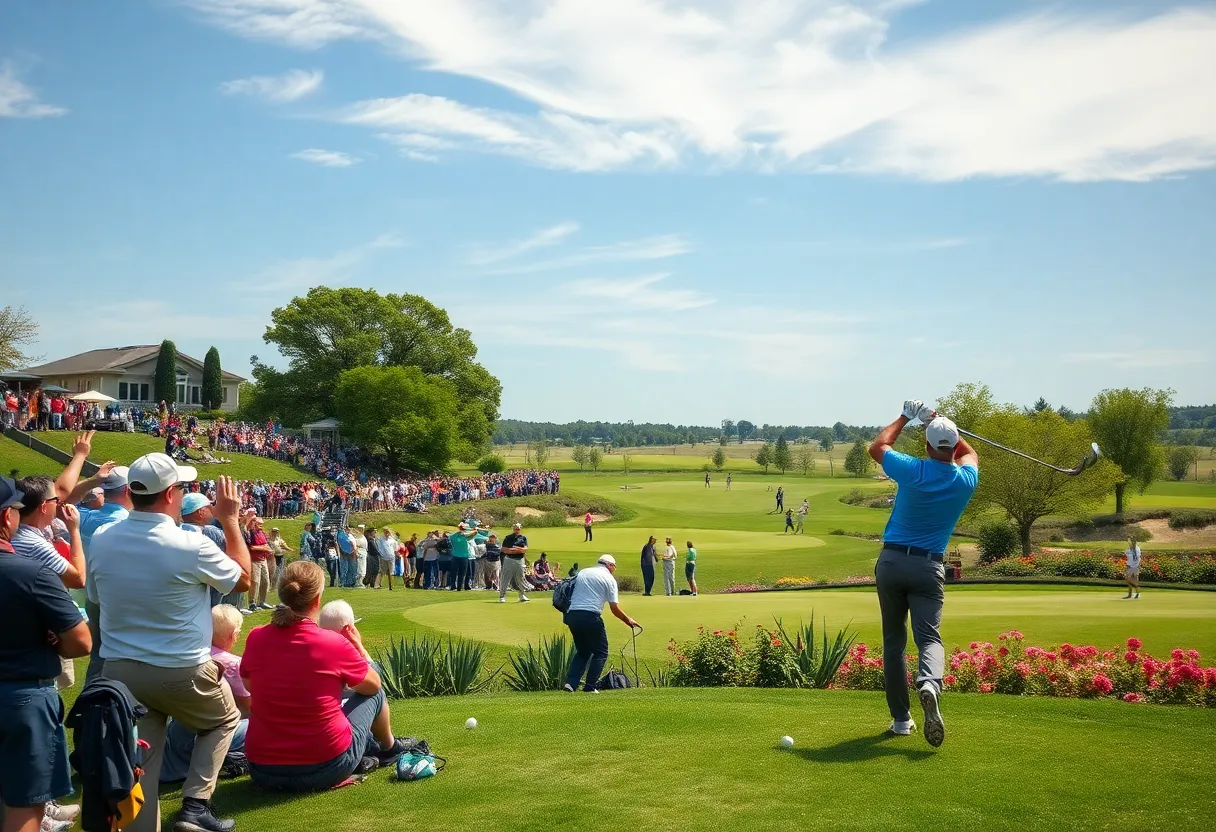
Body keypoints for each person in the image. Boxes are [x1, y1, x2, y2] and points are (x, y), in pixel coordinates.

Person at [90, 457, 252, 832]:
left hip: (119, 672)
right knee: (223, 718)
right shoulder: (189, 542)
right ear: (169, 495)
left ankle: (143, 826)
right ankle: (195, 807)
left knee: (144, 755)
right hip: (179, 668)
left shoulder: (102, 538)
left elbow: (97, 597)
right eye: (180, 488)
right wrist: (229, 520)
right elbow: (242, 580)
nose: (183, 494)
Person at [240, 561, 411, 791]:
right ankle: (390, 748)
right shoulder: (331, 642)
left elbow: (250, 684)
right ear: (317, 599)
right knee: (375, 682)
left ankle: (382, 746)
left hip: (262, 770)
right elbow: (373, 686)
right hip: (325, 767)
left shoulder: (257, 637)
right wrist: (360, 649)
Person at [867, 401, 978, 749]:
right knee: (929, 638)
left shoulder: (912, 469)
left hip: (892, 562)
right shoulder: (965, 481)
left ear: (927, 446)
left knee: (894, 643)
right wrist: (944, 425)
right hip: (930, 567)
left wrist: (907, 417)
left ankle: (902, 721)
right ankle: (930, 682)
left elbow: (878, 447)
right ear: (953, 444)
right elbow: (969, 452)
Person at [1, 476, 93, 832]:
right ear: (6, 517)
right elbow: (81, 642)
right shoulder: (32, 571)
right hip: (21, 696)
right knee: (24, 807)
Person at [159, 605, 251, 784]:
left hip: (179, 735)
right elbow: (251, 708)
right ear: (234, 635)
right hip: (210, 735)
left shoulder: (188, 656)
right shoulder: (232, 664)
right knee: (263, 725)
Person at [562, 554, 639, 693]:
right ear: (610, 565)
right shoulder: (609, 579)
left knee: (583, 651)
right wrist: (628, 620)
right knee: (601, 652)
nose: (614, 569)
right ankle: (590, 686)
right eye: (614, 567)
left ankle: (571, 683)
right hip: (590, 616)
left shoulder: (584, 572)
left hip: (571, 615)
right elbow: (614, 609)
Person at [245, 516, 274, 613]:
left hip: (263, 560)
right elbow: (251, 547)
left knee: (265, 581)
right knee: (255, 582)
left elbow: (265, 544)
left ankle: (262, 601)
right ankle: (252, 603)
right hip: (254, 560)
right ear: (254, 523)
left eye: (262, 524)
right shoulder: (250, 533)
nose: (261, 525)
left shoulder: (262, 533)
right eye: (259, 523)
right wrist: (264, 548)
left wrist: (267, 549)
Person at [500, 522, 530, 603]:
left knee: (520, 578)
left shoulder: (523, 538)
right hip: (509, 559)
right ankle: (502, 596)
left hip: (520, 560)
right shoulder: (508, 537)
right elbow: (504, 549)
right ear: (513, 529)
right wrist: (517, 550)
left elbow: (525, 549)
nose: (517, 530)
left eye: (519, 529)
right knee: (505, 578)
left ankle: (522, 595)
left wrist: (515, 549)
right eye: (516, 529)